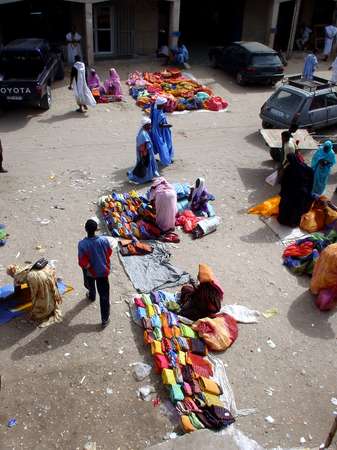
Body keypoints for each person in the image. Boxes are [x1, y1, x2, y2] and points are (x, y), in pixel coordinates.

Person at [78, 219, 112, 328]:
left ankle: (92, 296)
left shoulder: (82, 244)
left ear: (86, 230)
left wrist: (89, 267)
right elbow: (109, 252)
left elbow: (81, 261)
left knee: (90, 284)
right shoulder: (104, 240)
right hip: (103, 271)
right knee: (104, 295)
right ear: (96, 229)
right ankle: (105, 319)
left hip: (91, 272)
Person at [7, 262, 62, 327]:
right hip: (47, 271)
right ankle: (51, 306)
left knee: (42, 297)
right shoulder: (25, 268)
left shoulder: (17, 276)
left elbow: (20, 290)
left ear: (12, 273)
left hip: (39, 279)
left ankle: (45, 311)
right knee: (50, 291)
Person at [278, 153, 314, 227]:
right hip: (300, 193)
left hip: (289, 193)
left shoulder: (288, 169)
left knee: (286, 207)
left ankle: (283, 220)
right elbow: (310, 181)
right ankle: (293, 223)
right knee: (296, 209)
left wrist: (282, 192)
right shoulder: (306, 168)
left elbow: (283, 182)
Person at [128, 117, 159, 184]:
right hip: (145, 153)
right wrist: (145, 155)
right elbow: (142, 146)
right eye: (149, 125)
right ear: (145, 125)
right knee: (144, 166)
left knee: (147, 166)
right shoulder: (143, 134)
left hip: (147, 153)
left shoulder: (144, 132)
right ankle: (140, 178)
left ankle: (149, 178)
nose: (150, 126)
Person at [150, 96, 174, 166]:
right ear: (161, 105)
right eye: (164, 104)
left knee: (158, 145)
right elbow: (161, 125)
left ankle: (166, 158)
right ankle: (166, 160)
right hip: (161, 132)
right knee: (164, 146)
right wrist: (168, 125)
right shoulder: (160, 114)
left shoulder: (154, 110)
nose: (165, 105)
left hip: (155, 131)